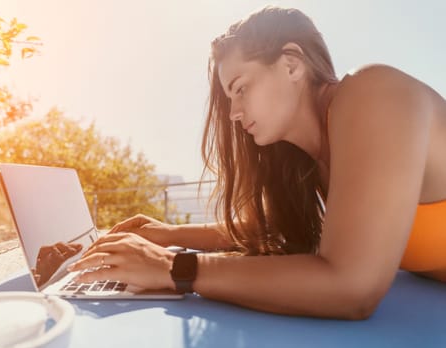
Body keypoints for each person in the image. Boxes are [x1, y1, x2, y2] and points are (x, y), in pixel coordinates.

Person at [68, 6, 446, 319]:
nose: (233, 113)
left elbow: (351, 287)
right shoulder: (317, 157)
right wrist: (167, 235)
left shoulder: (374, 94)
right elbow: (269, 228)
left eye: (240, 88)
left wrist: (174, 267)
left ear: (292, 64)